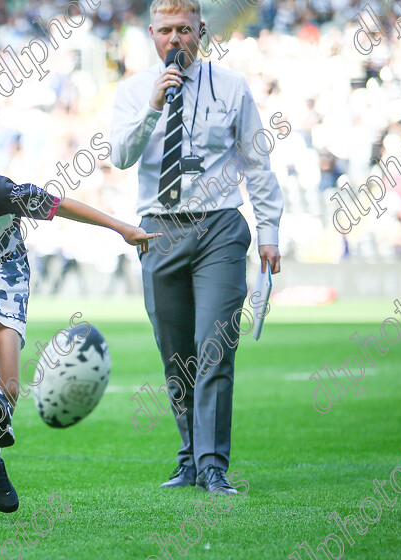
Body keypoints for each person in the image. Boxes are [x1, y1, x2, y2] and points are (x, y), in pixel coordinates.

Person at [0, 116, 159, 512]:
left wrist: (121, 228)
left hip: (7, 273)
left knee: (10, 390)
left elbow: (62, 207)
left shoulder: (4, 192)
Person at [109, 0, 283, 494]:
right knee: (175, 356)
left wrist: (268, 231)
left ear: (201, 31)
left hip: (220, 228)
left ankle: (212, 465)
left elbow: (256, 163)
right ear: (151, 34)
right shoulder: (133, 91)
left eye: (185, 29)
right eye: (165, 30)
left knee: (214, 348)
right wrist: (151, 108)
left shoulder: (232, 86)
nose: (175, 39)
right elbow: (121, 157)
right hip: (157, 230)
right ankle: (188, 456)